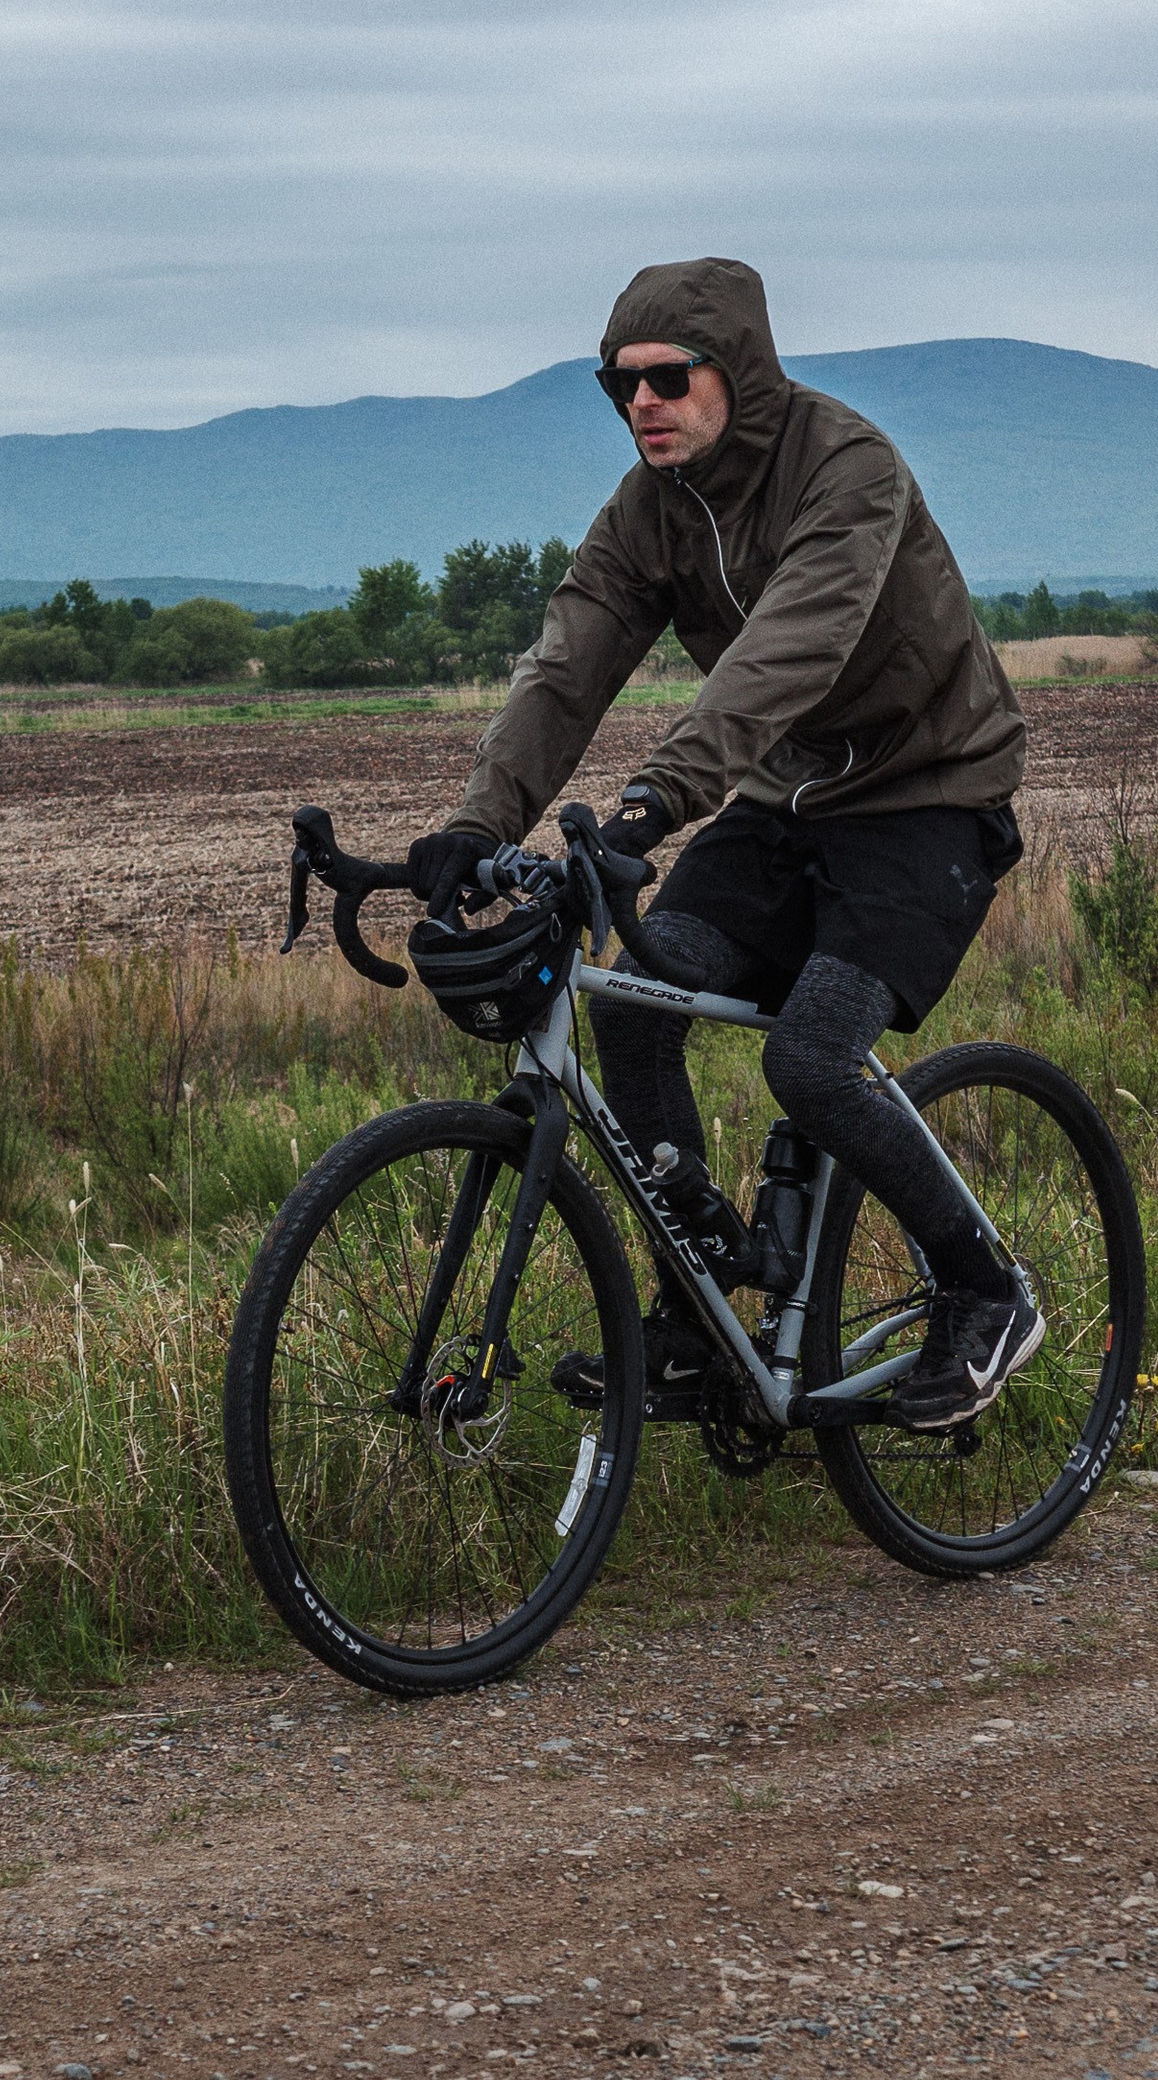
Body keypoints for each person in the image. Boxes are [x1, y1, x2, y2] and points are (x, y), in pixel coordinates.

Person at [405, 254, 1035, 1433]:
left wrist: (654, 801)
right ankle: (699, 1316)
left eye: (666, 378)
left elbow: (785, 653)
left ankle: (982, 1287)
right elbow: (570, 659)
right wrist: (476, 823)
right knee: (637, 995)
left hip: (929, 796)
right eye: (617, 386)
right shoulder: (649, 511)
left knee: (810, 1060)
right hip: (788, 800)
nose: (641, 403)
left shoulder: (844, 467)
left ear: (734, 373)